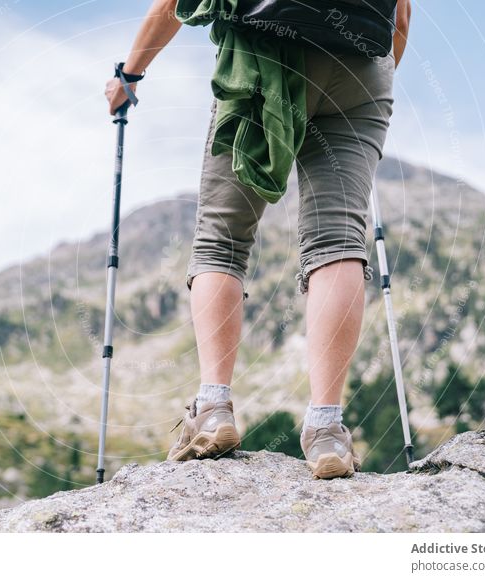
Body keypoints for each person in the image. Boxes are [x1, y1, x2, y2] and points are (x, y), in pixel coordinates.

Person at [105, 0, 411, 479]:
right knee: (338, 241)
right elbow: (402, 14)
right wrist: (365, 76)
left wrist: (130, 75)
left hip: (267, 59)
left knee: (221, 240)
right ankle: (327, 429)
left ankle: (213, 409)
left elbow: (172, 3)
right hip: (362, 70)